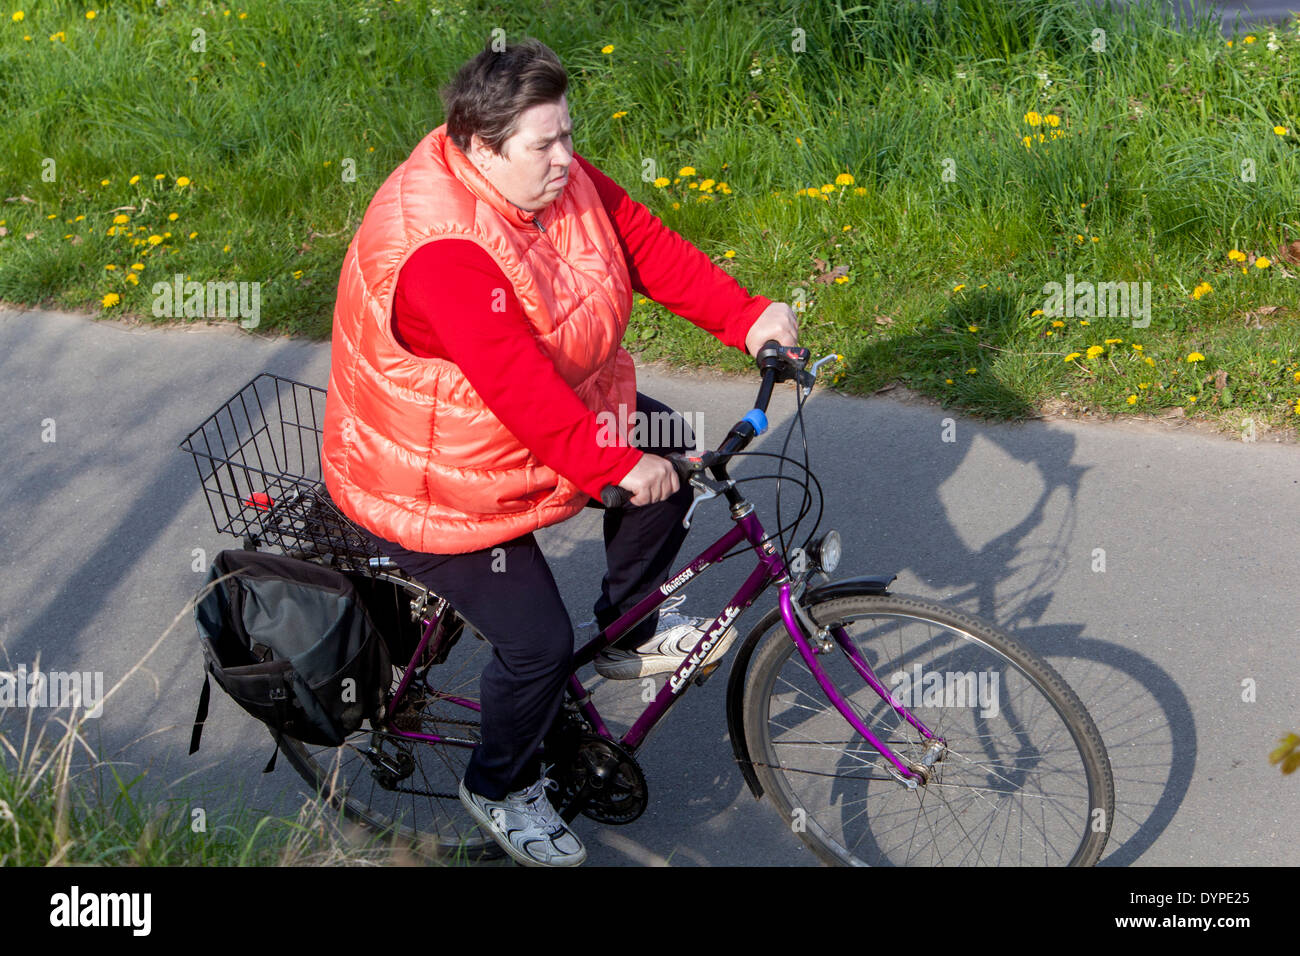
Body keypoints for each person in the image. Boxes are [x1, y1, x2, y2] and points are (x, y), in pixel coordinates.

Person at [321, 37, 798, 867]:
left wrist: (747, 316)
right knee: (537, 641)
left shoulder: (552, 182)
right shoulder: (442, 253)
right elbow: (516, 388)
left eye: (569, 133)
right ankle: (500, 786)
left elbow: (641, 242)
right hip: (434, 482)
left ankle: (626, 630)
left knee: (672, 451)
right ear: (478, 146)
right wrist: (613, 466)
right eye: (545, 144)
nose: (567, 158)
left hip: (526, 435)